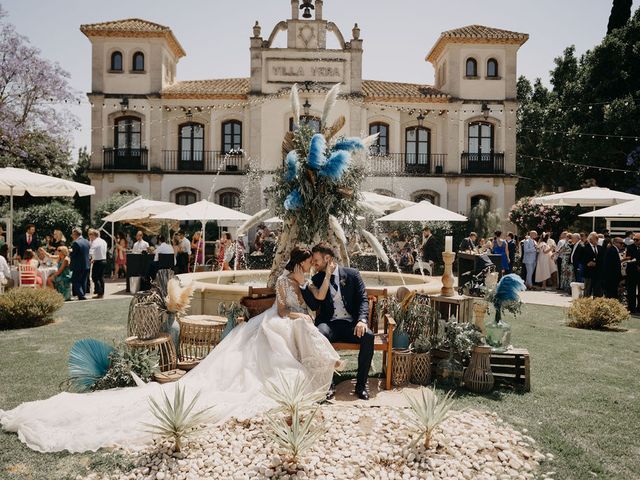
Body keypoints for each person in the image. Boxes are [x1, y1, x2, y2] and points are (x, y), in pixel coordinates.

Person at [0, 247, 340, 453]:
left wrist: (320, 288)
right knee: (286, 330)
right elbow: (282, 310)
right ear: (300, 263)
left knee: (299, 328)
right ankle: (308, 372)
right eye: (310, 262)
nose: (312, 266)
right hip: (277, 320)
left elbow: (316, 299)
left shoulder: (304, 280)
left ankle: (317, 367)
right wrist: (299, 314)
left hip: (292, 321)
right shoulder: (285, 280)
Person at [300, 242, 373, 401]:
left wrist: (362, 320)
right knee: (319, 333)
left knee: (368, 336)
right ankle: (329, 384)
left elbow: (363, 300)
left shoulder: (352, 274)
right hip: (330, 324)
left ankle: (361, 386)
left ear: (328, 258)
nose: (314, 264)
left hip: (351, 325)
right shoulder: (317, 278)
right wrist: (305, 286)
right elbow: (314, 305)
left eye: (316, 260)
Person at [69, 227, 90, 301]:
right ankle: (82, 295)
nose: (72, 236)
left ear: (75, 234)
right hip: (86, 264)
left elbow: (73, 255)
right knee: (83, 281)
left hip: (78, 265)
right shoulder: (87, 241)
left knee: (75, 280)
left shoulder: (76, 243)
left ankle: (81, 295)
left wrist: (70, 252)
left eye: (72, 234)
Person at [582, 232, 604, 298]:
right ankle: (585, 305)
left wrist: (596, 263)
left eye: (598, 238)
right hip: (589, 272)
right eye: (596, 238)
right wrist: (587, 263)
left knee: (598, 291)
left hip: (598, 273)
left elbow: (602, 259)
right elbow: (581, 259)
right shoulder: (585, 247)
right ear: (591, 239)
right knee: (587, 290)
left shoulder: (600, 248)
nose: (597, 239)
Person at [88, 229, 108, 299]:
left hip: (98, 261)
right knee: (101, 277)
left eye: (90, 235)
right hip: (104, 260)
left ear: (94, 235)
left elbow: (91, 251)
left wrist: (89, 258)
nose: (89, 236)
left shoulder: (95, 242)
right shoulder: (103, 241)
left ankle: (99, 292)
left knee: (95, 277)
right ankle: (101, 293)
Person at [623, 233, 640, 313]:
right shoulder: (629, 247)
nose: (635, 241)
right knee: (631, 291)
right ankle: (631, 308)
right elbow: (628, 258)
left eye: (637, 240)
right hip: (632, 272)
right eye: (634, 239)